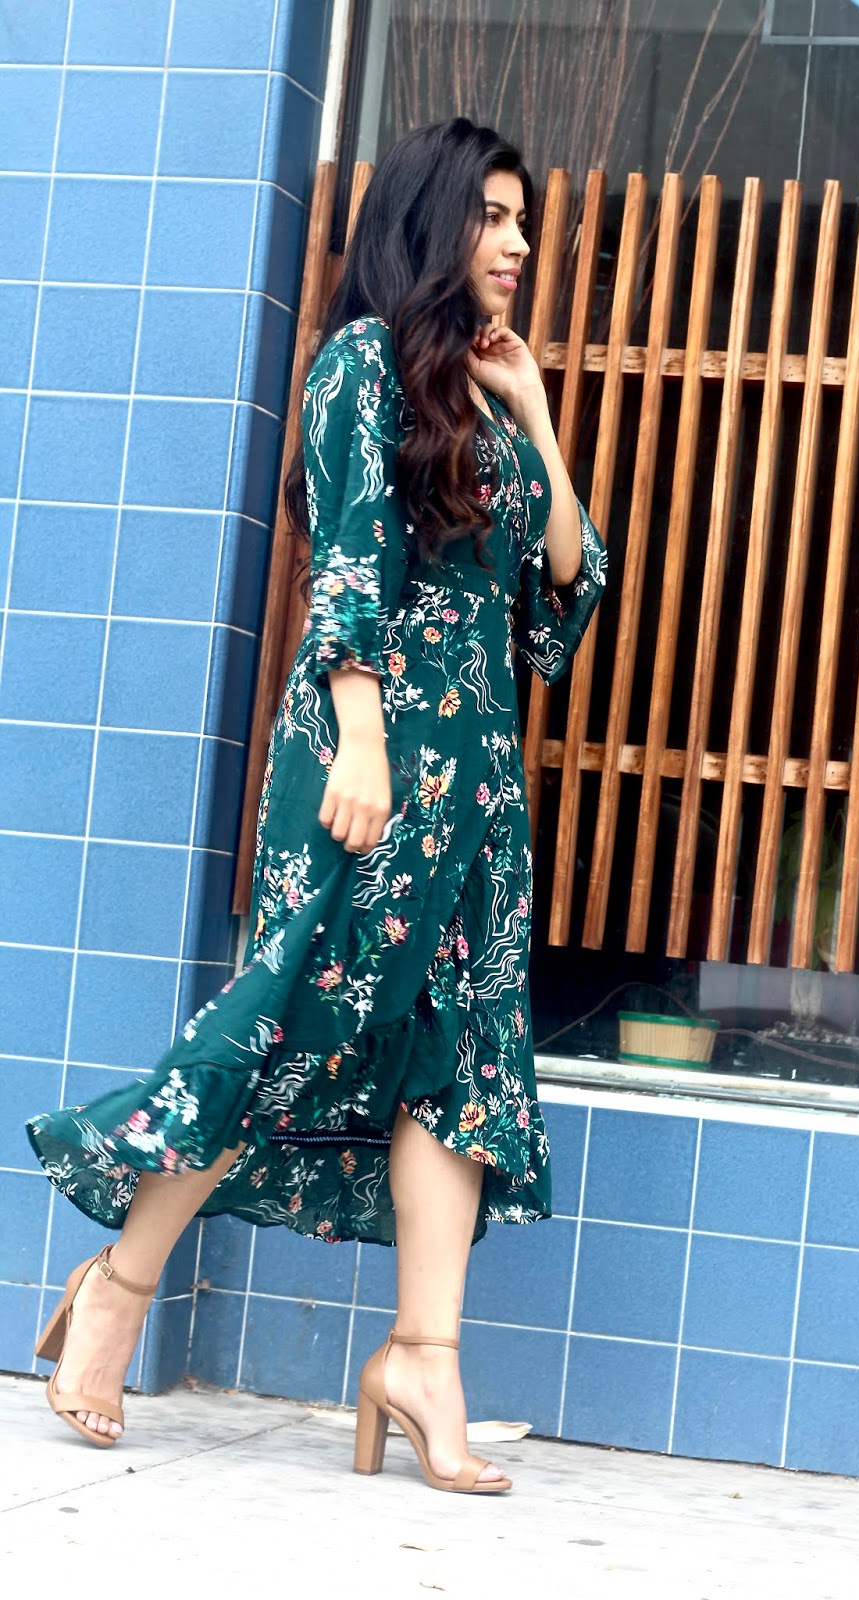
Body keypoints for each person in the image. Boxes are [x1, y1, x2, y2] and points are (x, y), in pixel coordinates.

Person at [26, 117, 606, 1496]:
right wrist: (359, 738)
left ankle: (425, 1360)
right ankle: (119, 1286)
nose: (518, 243)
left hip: (474, 779)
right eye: (494, 216)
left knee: (463, 1055)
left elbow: (562, 594)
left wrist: (534, 413)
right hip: (369, 751)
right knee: (290, 1018)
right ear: (431, 219)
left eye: (524, 221)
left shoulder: (488, 401)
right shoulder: (358, 366)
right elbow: (346, 562)